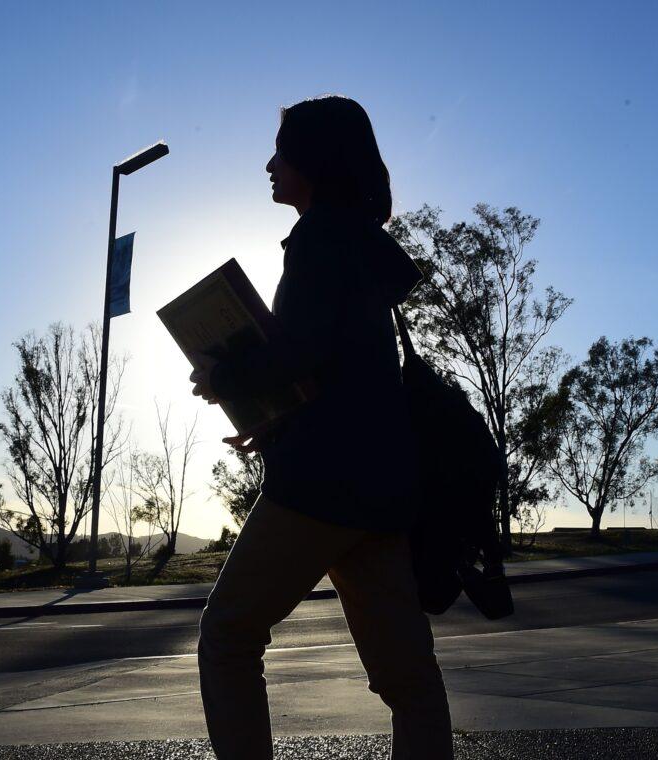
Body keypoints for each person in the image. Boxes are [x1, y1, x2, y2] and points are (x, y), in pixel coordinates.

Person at [189, 95, 453, 759]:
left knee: (227, 636)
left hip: (320, 487)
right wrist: (268, 421)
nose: (269, 165)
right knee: (407, 679)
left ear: (313, 159)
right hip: (380, 489)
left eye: (281, 152)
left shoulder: (319, 240)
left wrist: (225, 380)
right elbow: (339, 372)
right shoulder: (360, 243)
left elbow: (297, 356)